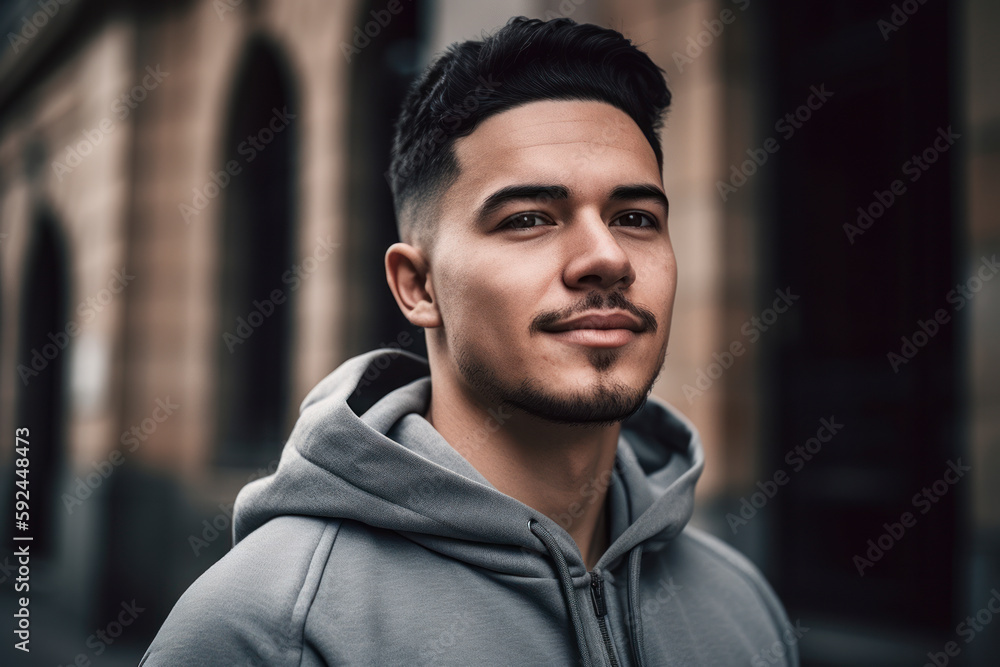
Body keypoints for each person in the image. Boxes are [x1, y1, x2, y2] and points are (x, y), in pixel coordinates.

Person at [141, 16, 798, 666]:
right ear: (418, 285)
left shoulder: (743, 608)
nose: (608, 257)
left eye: (634, 217)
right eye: (529, 218)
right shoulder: (262, 629)